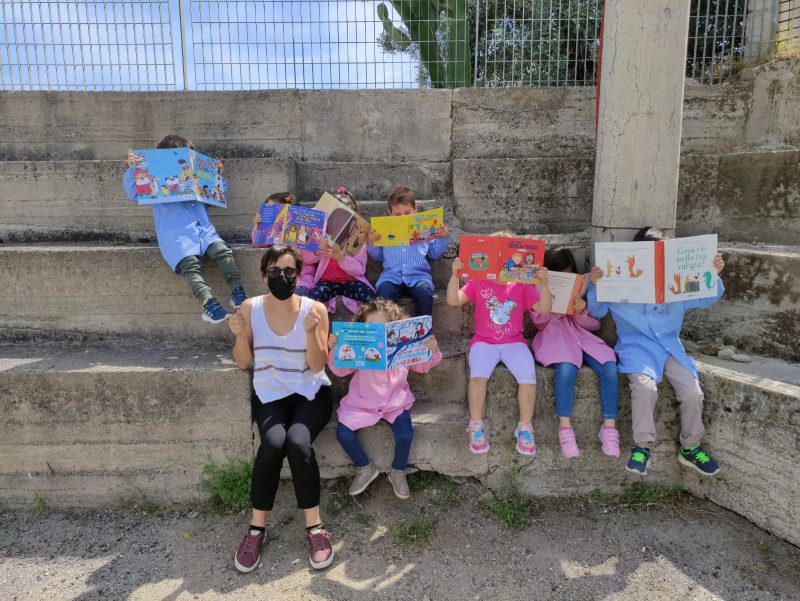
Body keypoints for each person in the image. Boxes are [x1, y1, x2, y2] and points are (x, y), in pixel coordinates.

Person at [228, 245, 334, 572]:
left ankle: (315, 527)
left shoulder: (315, 310)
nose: (282, 278)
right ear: (264, 276)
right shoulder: (250, 309)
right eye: (275, 272)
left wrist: (314, 332)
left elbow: (317, 367)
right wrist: (238, 336)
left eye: (289, 272)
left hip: (310, 394)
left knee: (297, 442)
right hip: (270, 394)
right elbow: (244, 362)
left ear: (298, 277)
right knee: (272, 444)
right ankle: (256, 528)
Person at [587, 226, 726, 477]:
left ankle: (691, 447)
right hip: (636, 347)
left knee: (693, 391)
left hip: (670, 346)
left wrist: (712, 273)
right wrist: (595, 285)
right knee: (644, 387)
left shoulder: (675, 283)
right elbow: (597, 312)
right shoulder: (620, 278)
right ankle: (643, 447)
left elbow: (707, 297)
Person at [447, 232, 552, 456]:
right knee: (478, 376)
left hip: (514, 342)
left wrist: (543, 284)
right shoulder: (478, 281)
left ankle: (525, 427)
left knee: (528, 376)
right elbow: (453, 300)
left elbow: (544, 309)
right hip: (484, 342)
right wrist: (455, 275)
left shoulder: (521, 284)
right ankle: (476, 425)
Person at [123, 135, 246, 323]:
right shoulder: (156, 184)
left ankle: (238, 291)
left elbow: (217, 196)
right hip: (177, 236)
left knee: (223, 252)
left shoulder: (193, 178)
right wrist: (133, 169)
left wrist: (216, 175)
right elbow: (134, 193)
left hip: (205, 231)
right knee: (190, 265)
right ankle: (209, 304)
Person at [328, 298, 442, 499]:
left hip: (394, 402)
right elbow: (340, 370)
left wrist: (432, 350)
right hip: (362, 403)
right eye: (372, 328)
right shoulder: (360, 349)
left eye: (383, 327)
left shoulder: (402, 349)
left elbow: (422, 367)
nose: (378, 332)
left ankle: (398, 471)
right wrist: (334, 350)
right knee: (343, 434)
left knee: (405, 434)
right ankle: (365, 467)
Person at [531, 247, 620, 459]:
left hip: (582, 337)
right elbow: (538, 321)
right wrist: (552, 307)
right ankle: (565, 428)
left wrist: (580, 311)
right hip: (555, 339)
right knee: (566, 370)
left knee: (608, 365)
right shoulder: (537, 289)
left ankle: (609, 427)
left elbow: (593, 325)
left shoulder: (579, 291)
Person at [368, 186, 449, 317]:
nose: (403, 217)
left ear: (415, 209)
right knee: (383, 294)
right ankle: (385, 334)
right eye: (398, 215)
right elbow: (378, 256)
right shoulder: (384, 229)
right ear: (390, 213)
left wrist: (443, 236)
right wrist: (371, 242)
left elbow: (435, 253)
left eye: (407, 213)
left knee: (424, 293)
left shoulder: (425, 228)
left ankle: (424, 335)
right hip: (391, 276)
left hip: (418, 277)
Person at [296, 187, 378, 313]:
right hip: (326, 282)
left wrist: (342, 258)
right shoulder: (319, 233)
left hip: (352, 281)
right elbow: (306, 259)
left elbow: (360, 269)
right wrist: (318, 251)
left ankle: (371, 330)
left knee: (373, 301)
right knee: (311, 303)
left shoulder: (358, 237)